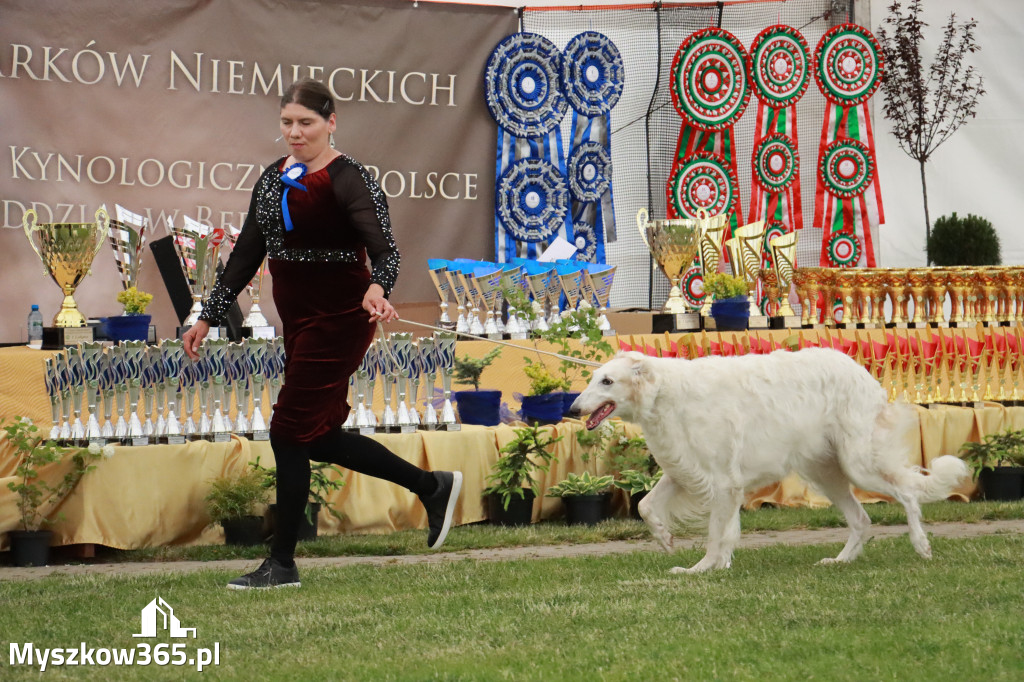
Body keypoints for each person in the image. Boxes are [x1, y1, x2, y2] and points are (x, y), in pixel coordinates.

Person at [183, 78, 462, 590]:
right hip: (299, 319)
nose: (295, 132)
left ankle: (282, 563)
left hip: (341, 318)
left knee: (289, 430)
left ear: (330, 122)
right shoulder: (272, 179)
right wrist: (208, 313)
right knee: (317, 435)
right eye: (287, 123)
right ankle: (431, 486)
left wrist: (378, 287)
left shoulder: (349, 178)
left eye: (306, 123)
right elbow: (246, 253)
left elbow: (386, 251)